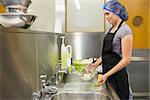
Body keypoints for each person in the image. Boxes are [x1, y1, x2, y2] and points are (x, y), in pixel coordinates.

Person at [85, 0, 133, 99]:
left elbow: (127, 59)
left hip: (118, 76)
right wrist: (94, 65)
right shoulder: (111, 29)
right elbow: (107, 54)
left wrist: (106, 75)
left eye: (108, 14)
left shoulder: (125, 30)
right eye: (104, 15)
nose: (106, 17)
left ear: (116, 12)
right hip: (108, 74)